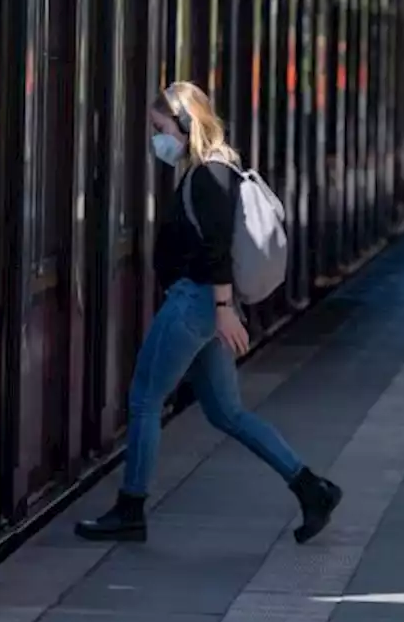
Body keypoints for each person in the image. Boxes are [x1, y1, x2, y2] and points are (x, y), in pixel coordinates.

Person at [74, 82, 342, 545]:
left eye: (160, 129)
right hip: (203, 303)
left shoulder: (209, 175)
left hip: (196, 303)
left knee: (143, 399)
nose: (157, 140)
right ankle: (310, 488)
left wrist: (222, 310)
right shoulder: (209, 169)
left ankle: (131, 508)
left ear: (183, 123)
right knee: (227, 412)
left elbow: (216, 251)